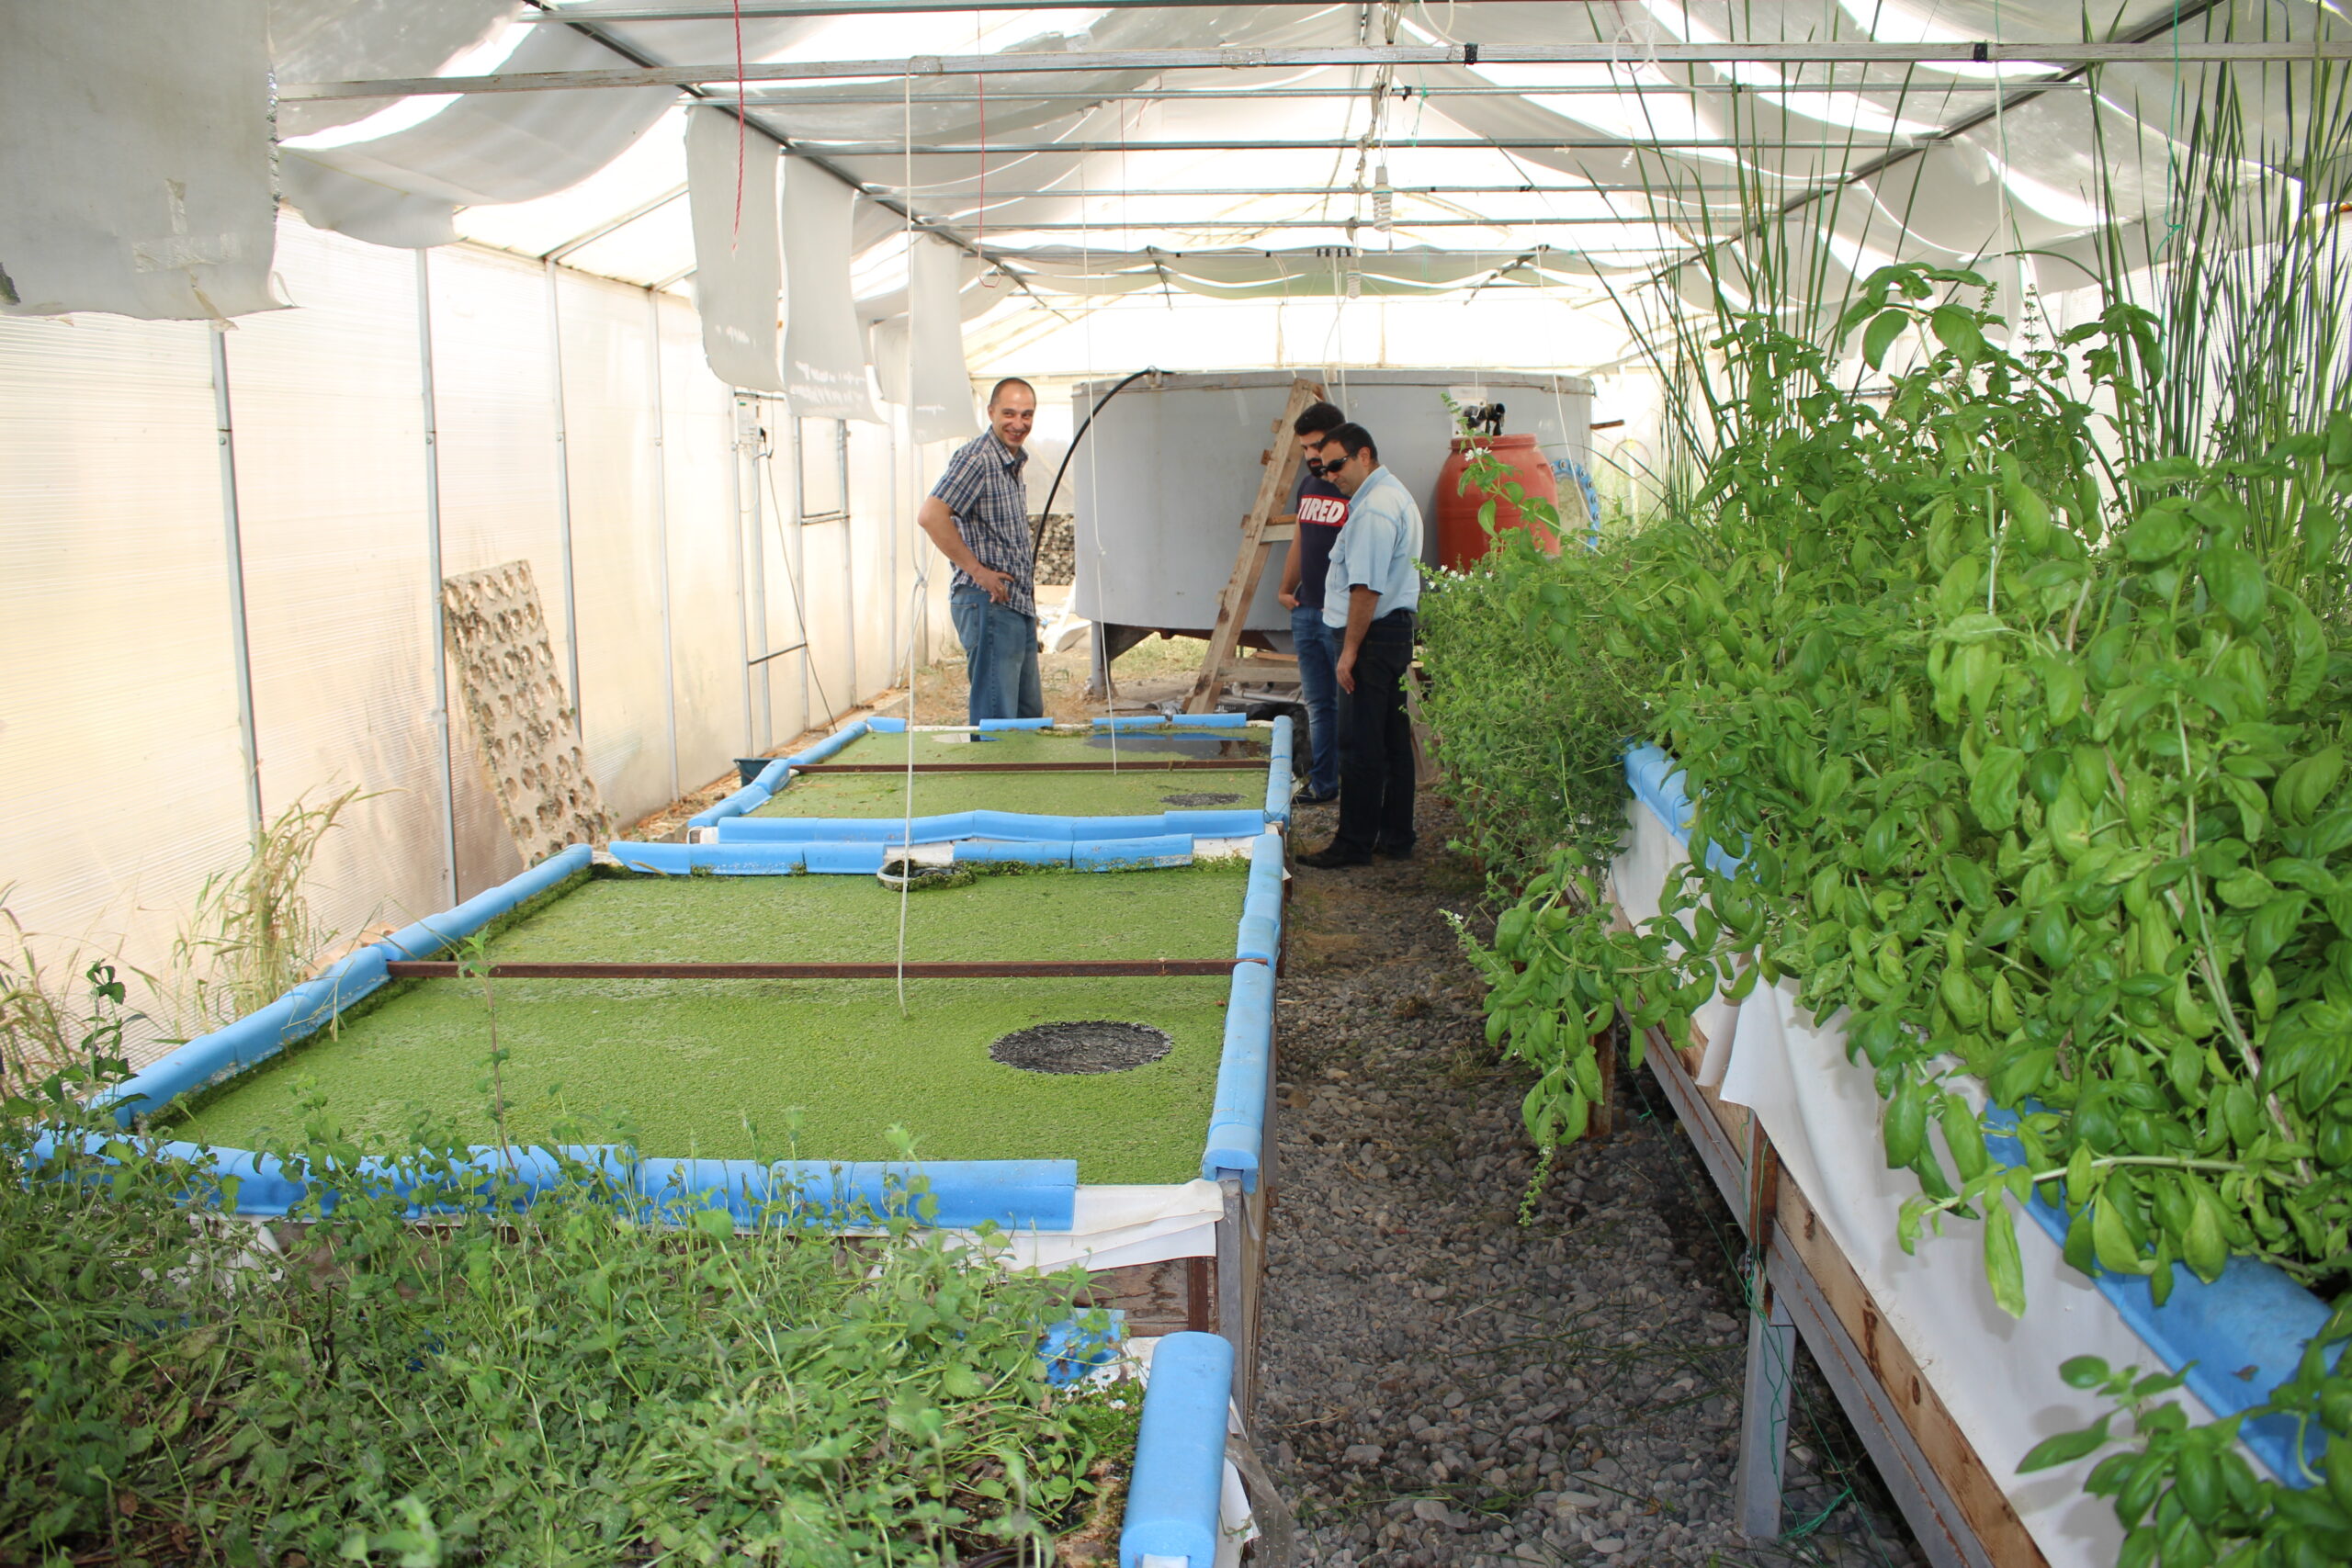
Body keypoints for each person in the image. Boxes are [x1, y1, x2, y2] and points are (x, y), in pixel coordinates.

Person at [1296, 423, 1420, 869]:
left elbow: (1365, 589)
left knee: (1359, 743)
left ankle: (1354, 843)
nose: (1330, 475)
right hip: (1389, 633)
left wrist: (1348, 653)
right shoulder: (1388, 497)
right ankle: (1395, 835)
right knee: (1389, 742)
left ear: (1363, 455)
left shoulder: (1373, 510)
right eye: (1323, 468)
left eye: (1336, 465)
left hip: (1372, 636)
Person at [920, 378, 1046, 723]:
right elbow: (931, 516)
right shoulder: (978, 458)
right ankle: (993, 775)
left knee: (1027, 713)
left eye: (1026, 415)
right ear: (990, 412)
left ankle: (1022, 776)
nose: (1018, 424)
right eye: (1009, 413)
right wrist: (978, 571)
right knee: (996, 717)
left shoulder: (1012, 460)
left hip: (1015, 603)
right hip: (987, 603)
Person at [1275, 400, 1349, 805]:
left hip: (1339, 614)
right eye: (1304, 448)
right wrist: (1287, 588)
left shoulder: (1354, 488)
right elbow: (1302, 538)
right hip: (1306, 609)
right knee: (1319, 704)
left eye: (1317, 446)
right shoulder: (1308, 487)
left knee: (1347, 705)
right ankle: (1324, 784)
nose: (1311, 456)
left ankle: (1356, 782)